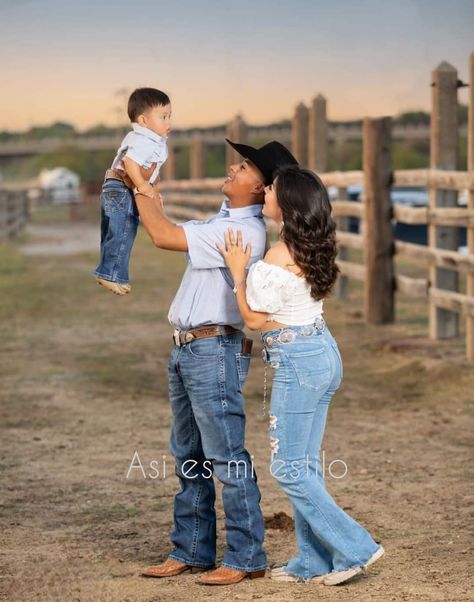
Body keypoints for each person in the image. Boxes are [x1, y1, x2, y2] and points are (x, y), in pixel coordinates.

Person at [134, 139, 298, 586]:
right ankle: (191, 549)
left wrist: (138, 184)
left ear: (259, 187)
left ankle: (247, 556)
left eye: (243, 166)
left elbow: (163, 235)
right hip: (190, 347)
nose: (232, 167)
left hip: (212, 350)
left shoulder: (242, 233)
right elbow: (171, 229)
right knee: (189, 455)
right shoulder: (223, 222)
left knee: (225, 456)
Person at [215, 163, 385, 586]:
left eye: (270, 188)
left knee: (289, 469)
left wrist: (238, 273)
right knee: (304, 464)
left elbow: (253, 320)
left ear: (286, 203)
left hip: (298, 363)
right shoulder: (308, 244)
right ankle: (312, 561)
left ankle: (357, 548)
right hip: (322, 353)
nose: (265, 191)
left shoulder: (277, 255)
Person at [93, 87, 171, 295]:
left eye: (169, 116)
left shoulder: (146, 139)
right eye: (163, 117)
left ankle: (108, 272)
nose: (168, 122)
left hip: (113, 186)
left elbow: (153, 172)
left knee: (113, 231)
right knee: (124, 229)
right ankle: (111, 274)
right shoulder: (145, 139)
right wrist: (142, 185)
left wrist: (155, 190)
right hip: (121, 187)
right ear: (144, 121)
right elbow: (130, 162)